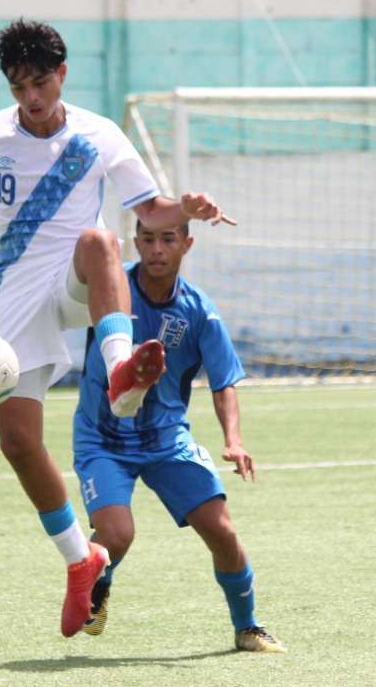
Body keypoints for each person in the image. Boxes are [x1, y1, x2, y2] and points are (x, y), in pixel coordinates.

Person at [0, 19, 233, 637]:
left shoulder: (98, 134)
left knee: (101, 239)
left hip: (76, 282)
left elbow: (150, 210)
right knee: (17, 443)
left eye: (41, 81)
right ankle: (81, 561)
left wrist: (186, 209)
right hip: (21, 295)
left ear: (63, 74)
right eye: (19, 84)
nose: (31, 97)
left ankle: (117, 371)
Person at [72, 219, 284, 653]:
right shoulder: (111, 288)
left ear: (187, 244)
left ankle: (247, 627)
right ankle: (100, 583)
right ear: (135, 243)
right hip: (104, 440)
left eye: (168, 240)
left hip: (168, 440)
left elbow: (223, 380)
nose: (156, 250)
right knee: (116, 535)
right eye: (147, 239)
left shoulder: (199, 311)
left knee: (222, 531)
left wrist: (234, 439)